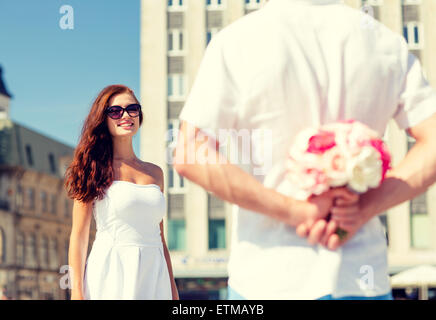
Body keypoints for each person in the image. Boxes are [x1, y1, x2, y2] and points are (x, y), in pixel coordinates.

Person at [173, 0, 436, 300]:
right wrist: (363, 209)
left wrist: (298, 212)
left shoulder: (237, 40)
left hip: (267, 280)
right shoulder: (385, 42)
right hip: (362, 276)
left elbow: (190, 153)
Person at [65, 85, 178, 300]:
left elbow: (161, 239)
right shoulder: (93, 168)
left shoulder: (156, 173)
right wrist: (77, 294)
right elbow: (79, 237)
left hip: (155, 274)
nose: (125, 115)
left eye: (132, 109)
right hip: (112, 272)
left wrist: (172, 290)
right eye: (116, 111)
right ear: (103, 119)